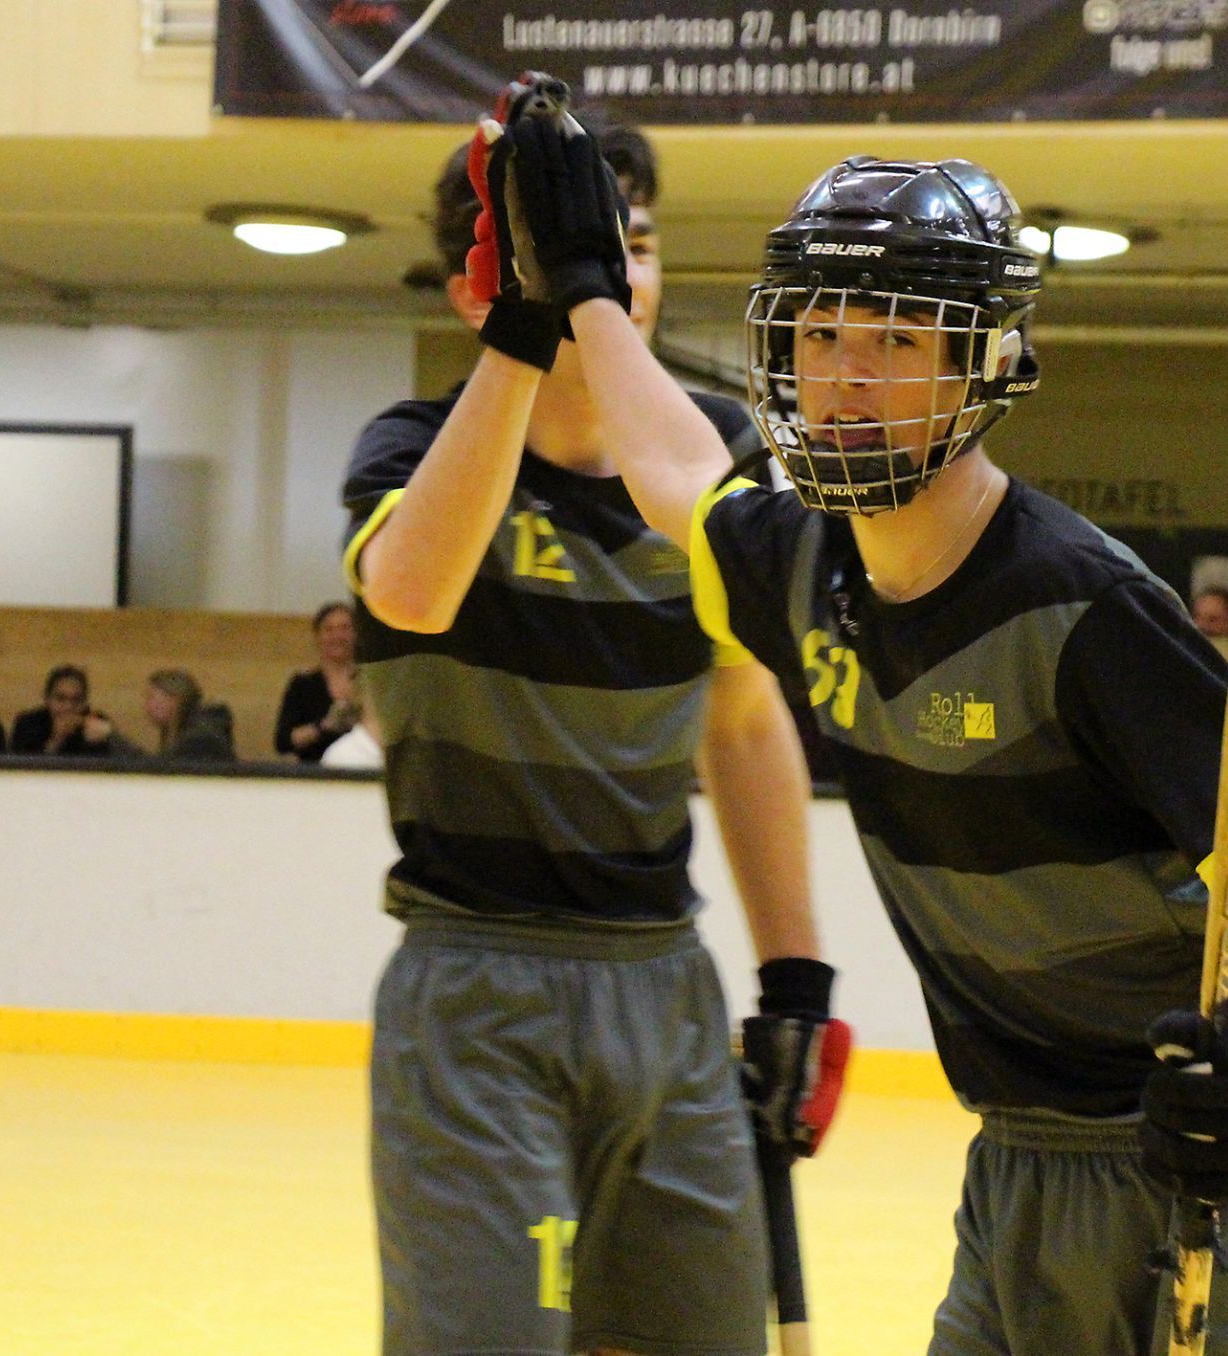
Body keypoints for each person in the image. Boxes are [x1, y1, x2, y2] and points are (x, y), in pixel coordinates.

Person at [505, 111, 1228, 1354]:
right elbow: (670, 471)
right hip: (1022, 1168)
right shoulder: (802, 565)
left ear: (985, 364)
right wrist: (590, 293)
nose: (844, 375)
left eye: (896, 339)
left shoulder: (1079, 606)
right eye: (819, 334)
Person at [343, 83, 836, 1356]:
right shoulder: (406, 452)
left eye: (635, 243)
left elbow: (742, 720)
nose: (611, 269)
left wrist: (793, 980)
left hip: (661, 984)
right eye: (574, 244)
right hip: (474, 985)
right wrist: (527, 322)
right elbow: (410, 588)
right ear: (473, 288)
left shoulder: (719, 456)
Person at [274, 601, 361, 762]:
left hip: (364, 773)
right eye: (329, 630)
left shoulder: (370, 684)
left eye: (345, 628)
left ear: (357, 634)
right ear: (318, 636)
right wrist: (324, 726)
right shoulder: (302, 684)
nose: (337, 636)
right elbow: (283, 742)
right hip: (314, 777)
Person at [118, 668, 236, 762]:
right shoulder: (178, 732)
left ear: (173, 700)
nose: (146, 705)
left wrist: (113, 739)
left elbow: (159, 770)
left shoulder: (199, 740)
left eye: (151, 697)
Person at [9, 664, 118, 757]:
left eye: (76, 700)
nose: (68, 707)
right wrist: (56, 740)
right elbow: (19, 771)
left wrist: (111, 738)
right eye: (60, 699)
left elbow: (127, 763)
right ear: (47, 699)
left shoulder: (95, 723)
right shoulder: (28, 724)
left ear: (85, 703)